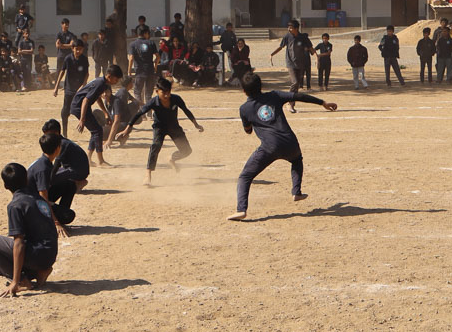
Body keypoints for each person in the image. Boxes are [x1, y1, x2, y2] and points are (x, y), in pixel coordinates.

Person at [228, 72, 337, 221]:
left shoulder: (244, 108)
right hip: (290, 142)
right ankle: (296, 192)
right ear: (261, 86)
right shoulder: (275, 95)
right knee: (296, 160)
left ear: (244, 91)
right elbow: (299, 96)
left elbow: (248, 131)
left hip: (269, 147)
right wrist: (322, 102)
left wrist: (252, 124)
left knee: (245, 176)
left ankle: (241, 210)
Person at [0, 163, 59, 295]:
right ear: (26, 179)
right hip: (50, 254)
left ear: (5, 186)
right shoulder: (39, 198)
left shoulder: (15, 205)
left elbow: (19, 243)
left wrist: (15, 281)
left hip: (36, 254)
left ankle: (23, 281)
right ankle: (40, 272)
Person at [120, 77, 204, 186]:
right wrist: (127, 128)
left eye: (168, 92)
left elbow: (186, 111)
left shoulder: (176, 99)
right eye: (163, 93)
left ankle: (172, 159)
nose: (166, 95)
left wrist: (196, 124)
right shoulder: (153, 102)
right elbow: (139, 114)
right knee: (155, 146)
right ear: (157, 91)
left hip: (174, 126)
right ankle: (148, 175)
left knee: (187, 150)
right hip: (159, 127)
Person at [71, 64, 123, 166]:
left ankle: (88, 159)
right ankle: (100, 161)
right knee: (97, 131)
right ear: (109, 76)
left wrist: (106, 113)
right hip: (79, 106)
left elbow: (98, 98)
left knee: (95, 130)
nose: (117, 82)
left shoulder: (104, 84)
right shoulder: (100, 84)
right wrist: (82, 119)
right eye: (116, 79)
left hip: (83, 106)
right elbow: (85, 100)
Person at [27, 131, 78, 231]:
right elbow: (43, 198)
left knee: (70, 184)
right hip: (34, 204)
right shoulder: (43, 168)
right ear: (57, 149)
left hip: (35, 197)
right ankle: (47, 221)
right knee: (68, 215)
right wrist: (55, 222)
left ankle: (57, 212)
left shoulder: (43, 161)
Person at [270, 19, 315, 106]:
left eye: (291, 28)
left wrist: (317, 57)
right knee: (295, 82)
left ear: (296, 28)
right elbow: (281, 47)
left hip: (300, 64)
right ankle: (289, 101)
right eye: (288, 27)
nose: (289, 29)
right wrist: (272, 54)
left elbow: (311, 48)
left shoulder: (303, 37)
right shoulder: (287, 36)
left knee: (296, 85)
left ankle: (291, 103)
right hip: (290, 63)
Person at [127, 26, 159, 104]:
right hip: (150, 71)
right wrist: (155, 67)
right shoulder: (151, 43)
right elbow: (158, 57)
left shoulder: (133, 44)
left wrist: (129, 71)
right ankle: (148, 109)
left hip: (139, 72)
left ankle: (141, 109)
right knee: (148, 94)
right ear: (145, 33)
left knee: (137, 92)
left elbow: (131, 58)